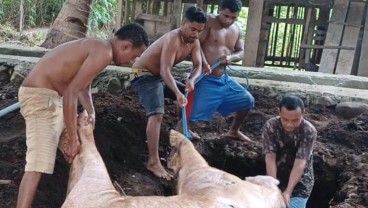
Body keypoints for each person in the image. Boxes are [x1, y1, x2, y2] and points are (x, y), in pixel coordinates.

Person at [16, 23, 149, 208]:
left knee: (75, 150)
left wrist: (91, 111)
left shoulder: (100, 48)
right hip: (41, 98)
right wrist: (71, 137)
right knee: (37, 164)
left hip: (51, 98)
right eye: (134, 56)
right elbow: (72, 92)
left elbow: (83, 86)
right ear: (125, 46)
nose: (131, 62)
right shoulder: (104, 52)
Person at [130, 6, 207, 180]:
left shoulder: (194, 41)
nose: (195, 34)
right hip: (144, 75)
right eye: (193, 29)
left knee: (190, 93)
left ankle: (182, 129)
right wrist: (178, 94)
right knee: (157, 113)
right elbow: (165, 71)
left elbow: (198, 66)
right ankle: (153, 162)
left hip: (159, 77)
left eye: (199, 31)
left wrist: (192, 80)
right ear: (184, 23)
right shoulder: (173, 39)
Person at [180, 0, 255, 141]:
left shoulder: (237, 29)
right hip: (203, 78)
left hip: (223, 79)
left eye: (233, 18)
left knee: (248, 100)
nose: (229, 20)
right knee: (188, 109)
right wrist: (205, 63)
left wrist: (231, 58)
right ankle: (183, 131)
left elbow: (241, 52)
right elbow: (196, 44)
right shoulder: (208, 22)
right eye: (226, 16)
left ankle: (234, 131)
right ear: (220, 10)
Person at [262, 95, 317, 208]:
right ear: (279, 113)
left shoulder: (308, 131)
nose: (289, 124)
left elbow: (300, 163)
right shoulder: (270, 125)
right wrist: (274, 187)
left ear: (303, 114)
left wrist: (288, 192)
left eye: (295, 120)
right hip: (276, 177)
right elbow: (270, 157)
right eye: (285, 119)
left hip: (300, 183)